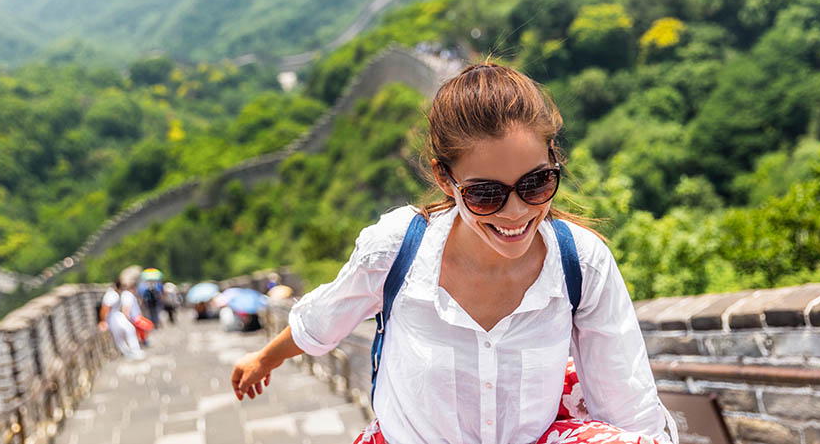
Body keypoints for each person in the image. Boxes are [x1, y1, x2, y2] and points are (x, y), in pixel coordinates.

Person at [231, 63, 678, 444]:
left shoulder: (581, 262)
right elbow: (324, 321)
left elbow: (627, 404)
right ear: (445, 180)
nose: (517, 212)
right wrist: (264, 359)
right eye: (486, 194)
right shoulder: (397, 249)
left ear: (554, 163)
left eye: (536, 183)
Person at [99, 278, 144, 360]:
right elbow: (105, 308)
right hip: (113, 318)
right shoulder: (112, 295)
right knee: (124, 333)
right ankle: (130, 352)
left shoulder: (113, 294)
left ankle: (131, 351)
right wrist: (103, 321)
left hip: (115, 316)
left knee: (126, 332)